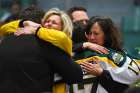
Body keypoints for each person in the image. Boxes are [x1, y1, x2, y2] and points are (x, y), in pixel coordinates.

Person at [0, 6, 83, 93]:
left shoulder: (5, 42)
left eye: (54, 23)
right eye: (47, 21)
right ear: (41, 23)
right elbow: (75, 76)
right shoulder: (46, 45)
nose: (49, 24)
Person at [74, 16, 140, 93]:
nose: (91, 37)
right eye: (89, 33)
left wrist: (102, 73)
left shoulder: (114, 55)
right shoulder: (79, 51)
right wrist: (84, 45)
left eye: (96, 33)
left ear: (106, 35)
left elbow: (123, 89)